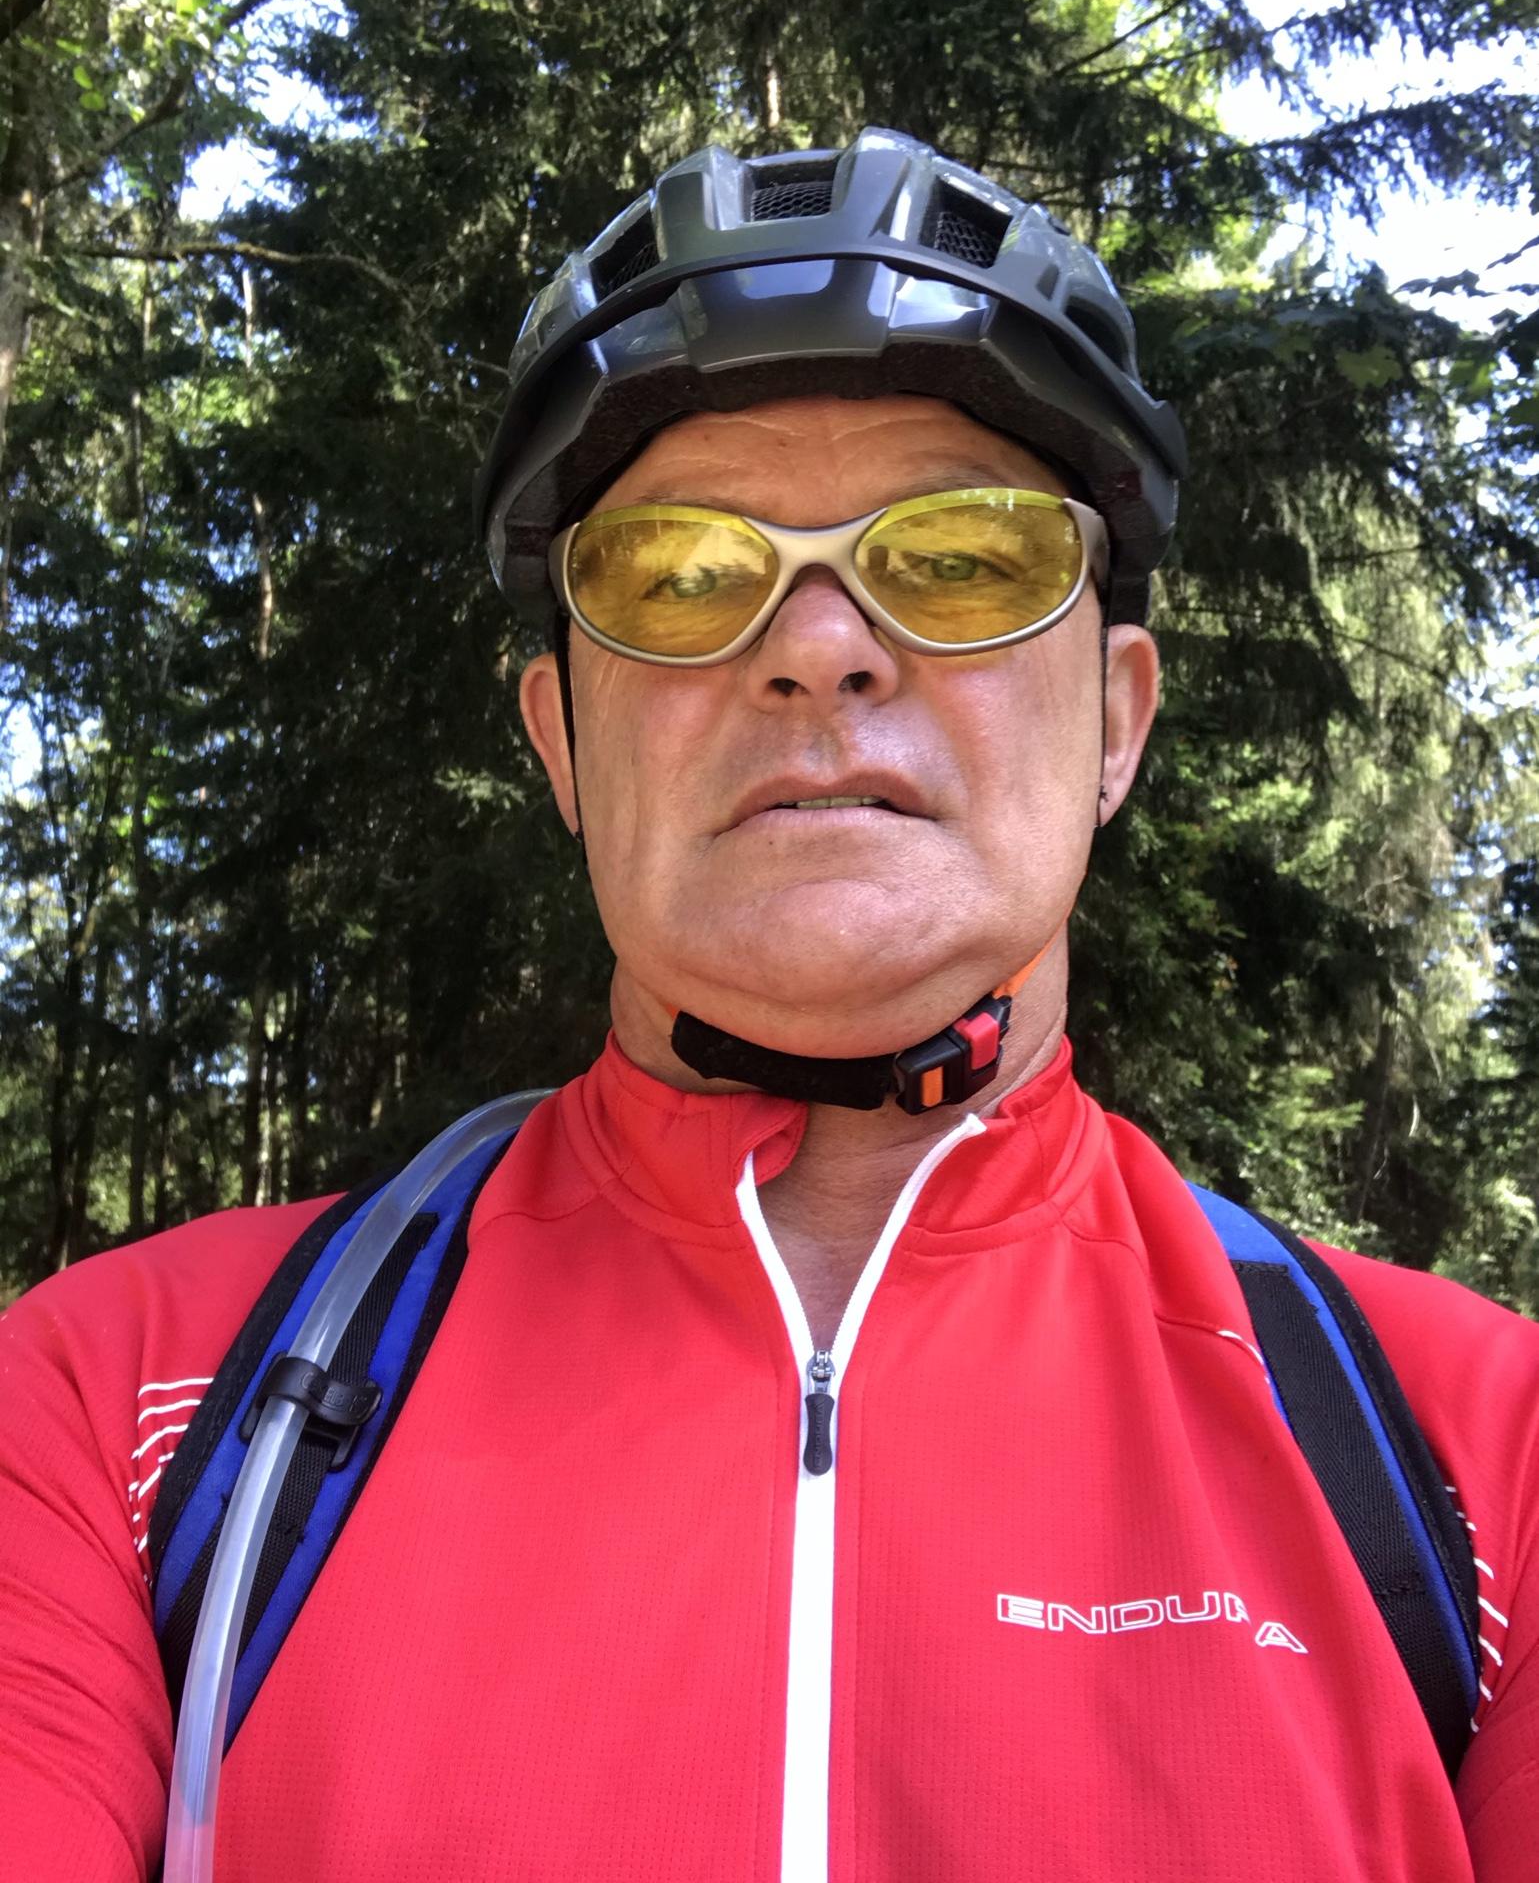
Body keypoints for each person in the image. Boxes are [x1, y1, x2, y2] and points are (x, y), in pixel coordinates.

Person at [1, 128, 1536, 1882]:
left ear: (1119, 721)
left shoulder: (1481, 1457)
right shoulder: (124, 1402)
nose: (818, 647)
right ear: (561, 744)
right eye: (678, 574)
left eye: (961, 557)